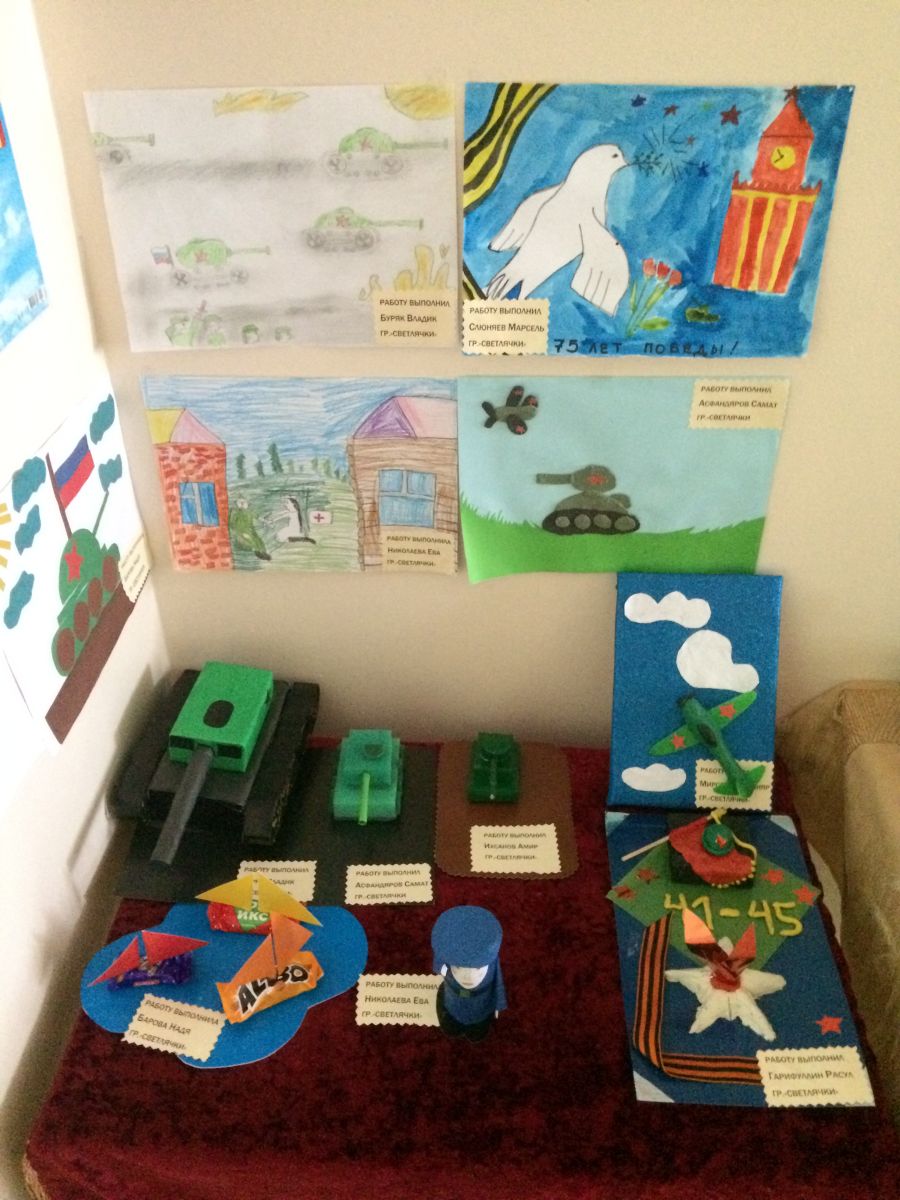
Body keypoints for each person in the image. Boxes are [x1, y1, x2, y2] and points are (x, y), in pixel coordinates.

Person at [431, 906, 505, 1041]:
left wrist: (497, 1005)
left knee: (477, 1033)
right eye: (459, 967)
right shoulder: (446, 963)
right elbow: (439, 960)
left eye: (478, 968)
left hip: (481, 1006)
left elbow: (498, 983)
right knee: (450, 1027)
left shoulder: (492, 965)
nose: (468, 976)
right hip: (452, 1002)